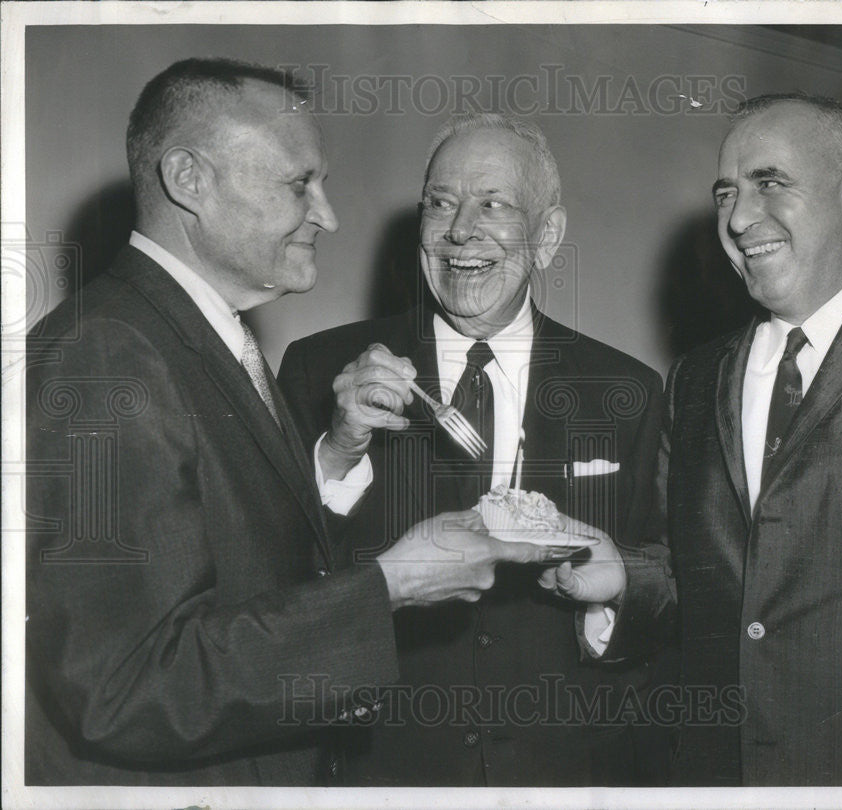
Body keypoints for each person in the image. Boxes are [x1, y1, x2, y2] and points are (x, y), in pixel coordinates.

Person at [25, 59, 563, 786]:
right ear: (189, 179)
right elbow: (122, 688)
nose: (329, 215)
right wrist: (389, 586)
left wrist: (340, 452)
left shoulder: (209, 339)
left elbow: (254, 563)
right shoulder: (107, 356)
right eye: (297, 184)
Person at [559, 92, 842, 786]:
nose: (739, 218)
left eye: (770, 184)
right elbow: (694, 568)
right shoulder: (696, 378)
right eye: (726, 193)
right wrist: (624, 580)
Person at [277, 113, 664, 786]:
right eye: (441, 203)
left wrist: (618, 587)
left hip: (571, 774)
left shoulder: (627, 389)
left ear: (546, 237)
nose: (460, 231)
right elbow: (274, 580)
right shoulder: (321, 371)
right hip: (385, 772)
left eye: (494, 204)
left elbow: (676, 576)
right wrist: (338, 448)